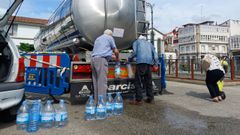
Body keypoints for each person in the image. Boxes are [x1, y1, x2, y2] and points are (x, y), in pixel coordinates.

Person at [128, 35, 158, 105]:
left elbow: (135, 52)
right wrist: (156, 64)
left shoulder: (136, 42)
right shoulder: (149, 43)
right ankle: (151, 99)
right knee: (148, 82)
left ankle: (139, 100)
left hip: (141, 63)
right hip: (149, 64)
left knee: (138, 82)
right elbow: (155, 55)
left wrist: (129, 58)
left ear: (138, 38)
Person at [91, 29, 119, 102]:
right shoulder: (109, 37)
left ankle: (96, 102)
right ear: (110, 34)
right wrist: (117, 59)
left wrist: (109, 55)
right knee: (102, 83)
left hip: (93, 60)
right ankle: (102, 104)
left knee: (96, 83)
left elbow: (101, 50)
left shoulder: (98, 38)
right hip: (101, 60)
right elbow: (115, 51)